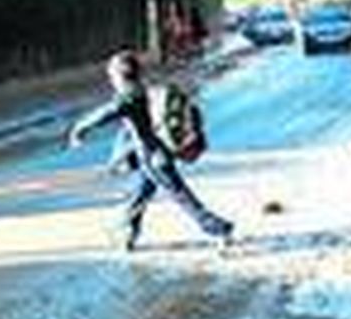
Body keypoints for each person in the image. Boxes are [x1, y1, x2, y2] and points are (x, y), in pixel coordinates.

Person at [69, 51, 234, 253]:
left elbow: (106, 114)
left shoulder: (128, 98)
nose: (110, 79)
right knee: (139, 196)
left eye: (111, 74)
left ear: (119, 76)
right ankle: (127, 234)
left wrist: (80, 128)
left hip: (152, 157)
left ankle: (219, 229)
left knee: (183, 198)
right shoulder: (139, 91)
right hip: (151, 156)